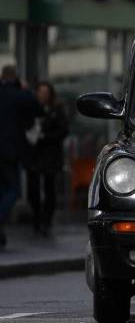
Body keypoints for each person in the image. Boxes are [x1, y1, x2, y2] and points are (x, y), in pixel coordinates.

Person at [0, 65, 41, 250]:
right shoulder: (18, 94)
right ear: (15, 77)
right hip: (10, 151)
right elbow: (38, 108)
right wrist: (24, 89)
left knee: (2, 191)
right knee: (14, 190)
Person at [25, 82, 69, 236]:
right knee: (33, 189)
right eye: (40, 92)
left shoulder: (56, 110)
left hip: (50, 155)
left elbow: (63, 130)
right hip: (34, 155)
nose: (43, 95)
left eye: (45, 92)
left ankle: (46, 220)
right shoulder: (31, 109)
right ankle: (37, 218)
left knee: (49, 188)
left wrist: (45, 137)